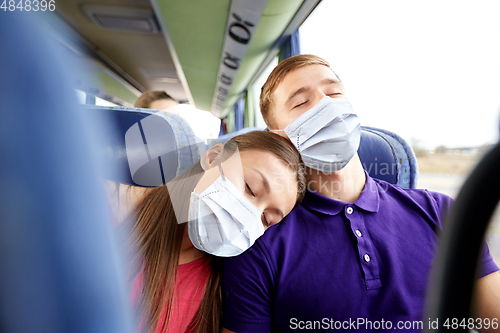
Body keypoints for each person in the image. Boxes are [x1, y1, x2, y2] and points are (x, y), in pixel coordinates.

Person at [221, 55, 500, 332]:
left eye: (334, 92)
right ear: (279, 136)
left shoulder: (440, 211)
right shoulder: (260, 243)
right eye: (302, 102)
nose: (327, 104)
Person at [127, 130, 306, 333]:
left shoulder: (222, 288)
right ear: (213, 157)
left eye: (266, 219)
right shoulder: (117, 207)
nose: (249, 216)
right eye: (250, 188)